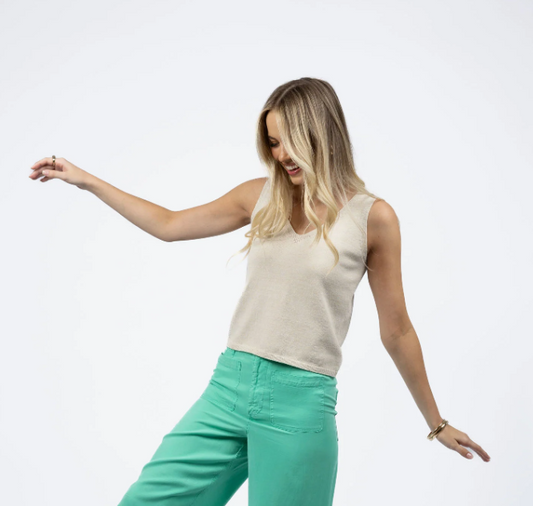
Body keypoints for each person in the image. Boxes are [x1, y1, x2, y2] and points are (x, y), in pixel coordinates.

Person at [29, 77, 491, 506]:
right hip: (228, 387)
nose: (282, 154)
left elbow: (398, 330)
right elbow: (168, 225)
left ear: (323, 134)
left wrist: (437, 423)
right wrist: (86, 180)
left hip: (301, 403)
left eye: (292, 139)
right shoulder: (259, 195)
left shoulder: (373, 217)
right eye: (273, 142)